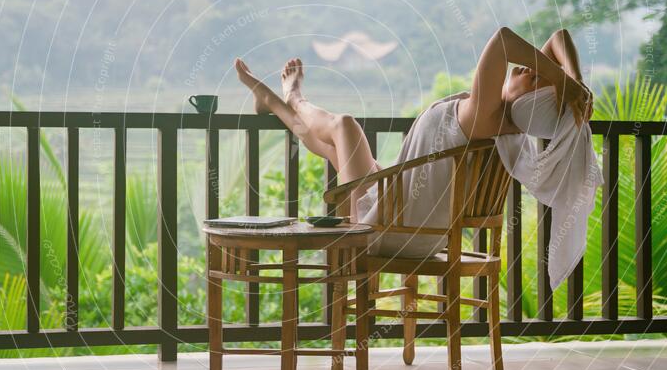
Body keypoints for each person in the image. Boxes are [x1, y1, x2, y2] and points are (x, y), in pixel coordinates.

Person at [234, 27, 596, 281]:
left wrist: (563, 81)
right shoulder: (506, 127)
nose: (530, 67)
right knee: (334, 147)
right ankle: (271, 102)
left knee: (344, 126)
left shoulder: (485, 114)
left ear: (528, 103)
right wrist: (572, 80)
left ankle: (294, 96)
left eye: (535, 79)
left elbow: (503, 40)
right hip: (414, 226)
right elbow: (558, 38)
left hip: (386, 229)